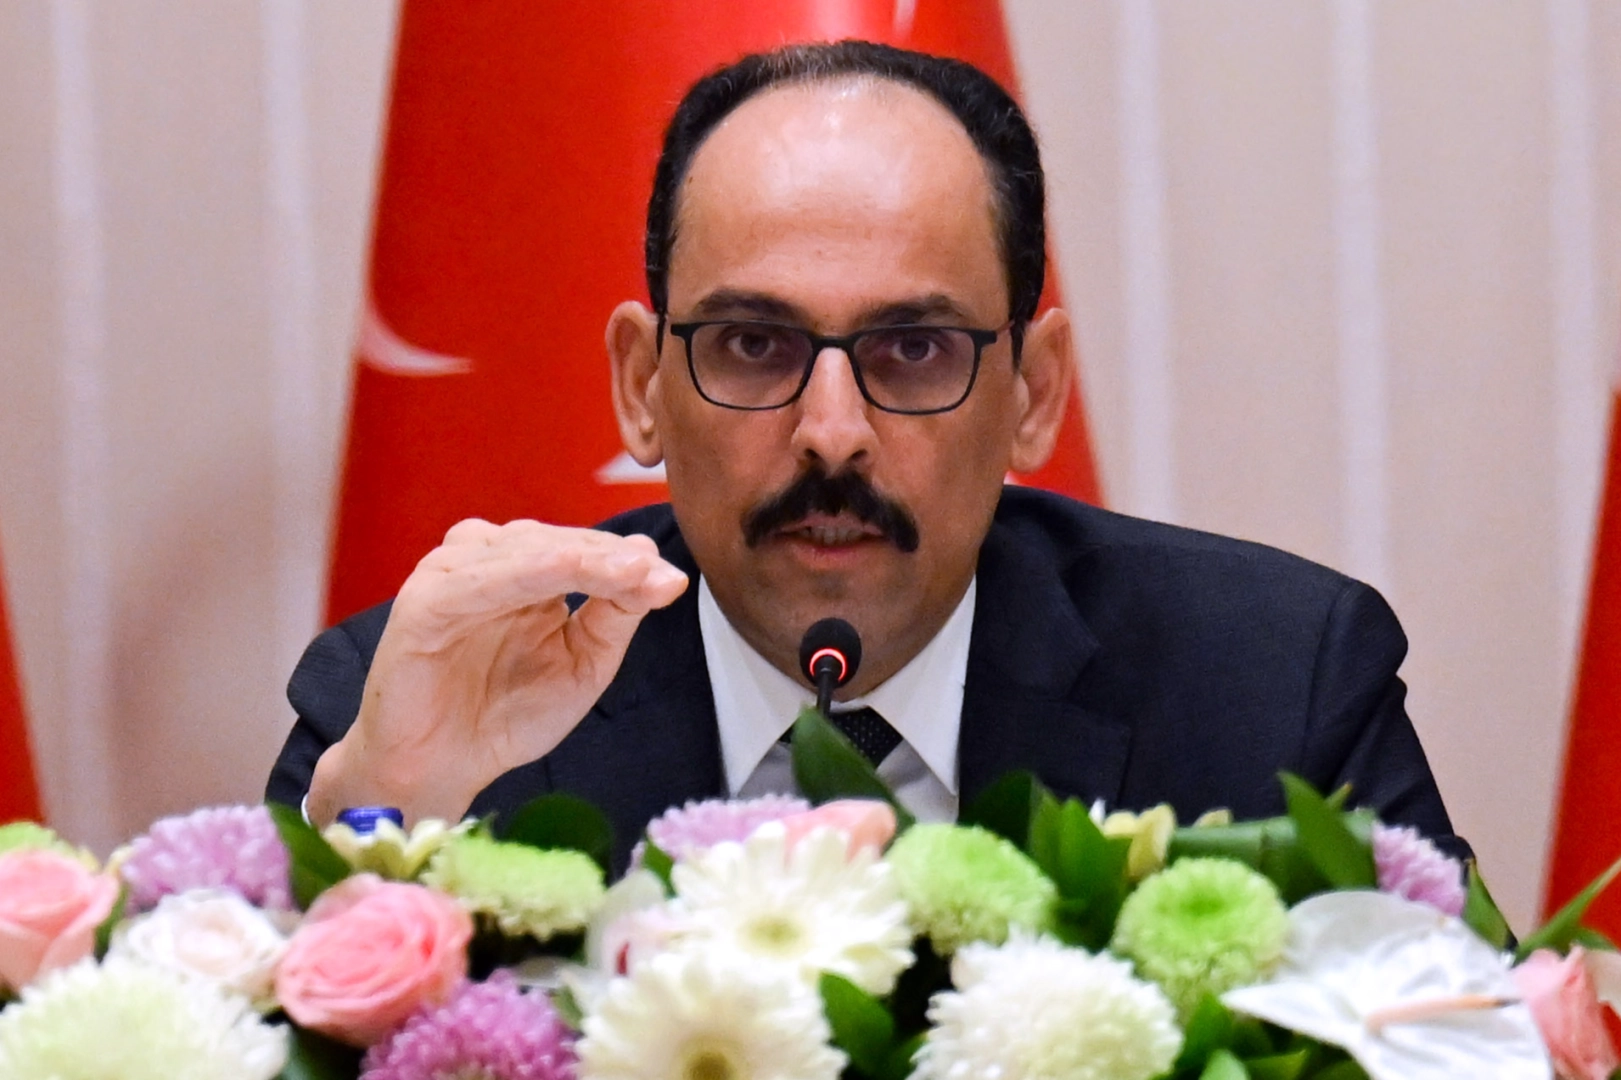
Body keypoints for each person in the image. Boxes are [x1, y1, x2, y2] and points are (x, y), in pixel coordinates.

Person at [267, 41, 1462, 871]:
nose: (830, 431)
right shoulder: (419, 704)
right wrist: (385, 819)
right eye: (752, 344)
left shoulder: (1274, 690)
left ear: (1032, 393)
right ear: (641, 387)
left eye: (913, 349)